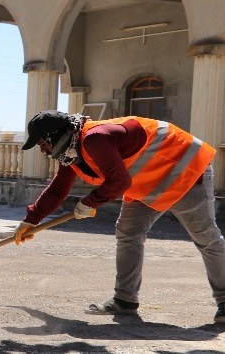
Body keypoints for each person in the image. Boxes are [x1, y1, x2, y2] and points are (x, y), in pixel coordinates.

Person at [14, 110, 225, 323]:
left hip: (185, 172)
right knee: (128, 233)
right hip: (146, 184)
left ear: (54, 135)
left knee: (206, 238)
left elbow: (119, 182)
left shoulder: (95, 138)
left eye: (42, 142)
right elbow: (58, 188)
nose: (42, 149)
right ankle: (125, 300)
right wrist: (31, 219)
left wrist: (90, 202)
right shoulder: (73, 152)